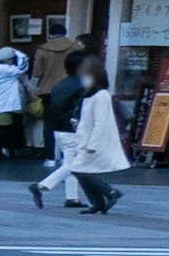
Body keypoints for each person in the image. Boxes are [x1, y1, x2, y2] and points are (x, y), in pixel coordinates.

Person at [36, 55, 128, 214]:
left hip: (90, 140)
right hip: (82, 137)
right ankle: (99, 200)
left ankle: (109, 193)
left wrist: (92, 145)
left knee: (78, 169)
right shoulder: (90, 94)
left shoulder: (101, 95)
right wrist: (78, 124)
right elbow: (88, 118)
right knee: (79, 169)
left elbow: (100, 122)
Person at [0, 45, 31, 165]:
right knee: (1, 129)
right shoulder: (6, 70)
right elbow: (23, 66)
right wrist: (19, 53)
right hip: (4, 104)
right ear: (8, 60)